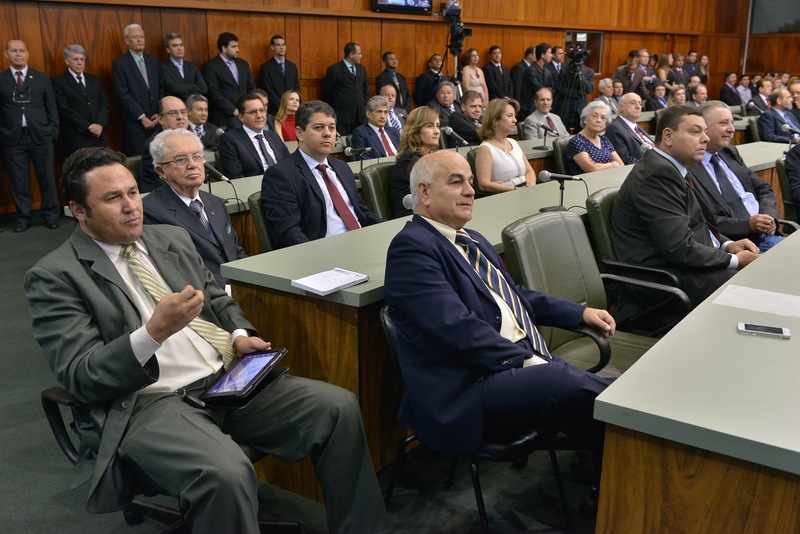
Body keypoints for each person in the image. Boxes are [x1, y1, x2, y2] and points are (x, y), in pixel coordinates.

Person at [25, 146, 389, 534]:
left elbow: (216, 297)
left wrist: (239, 334)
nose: (131, 206)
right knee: (225, 473)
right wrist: (153, 333)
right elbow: (81, 375)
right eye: (113, 198)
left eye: (133, 192)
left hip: (224, 382)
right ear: (79, 210)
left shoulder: (171, 238)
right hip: (149, 402)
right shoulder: (55, 276)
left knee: (337, 406)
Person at [383, 150, 614, 495]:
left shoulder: (471, 238)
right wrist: (529, 361)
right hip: (469, 386)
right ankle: (640, 417)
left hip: (509, 363)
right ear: (424, 192)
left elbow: (512, 295)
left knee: (586, 406)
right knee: (568, 382)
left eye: (470, 182)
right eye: (456, 182)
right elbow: (457, 329)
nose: (470, 191)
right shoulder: (411, 248)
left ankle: (616, 479)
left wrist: (577, 313)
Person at [611, 106, 760, 317]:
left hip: (684, 269)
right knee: (753, 290)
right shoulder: (658, 174)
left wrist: (727, 244)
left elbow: (698, 223)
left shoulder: (671, 167)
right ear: (668, 136)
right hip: (663, 282)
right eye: (695, 131)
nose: (706, 138)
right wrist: (735, 260)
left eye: (705, 131)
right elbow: (680, 248)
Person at [261, 101, 383, 249]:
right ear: (299, 133)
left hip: (363, 244)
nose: (327, 133)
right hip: (325, 253)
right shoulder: (281, 175)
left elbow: (362, 212)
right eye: (318, 127)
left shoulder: (342, 167)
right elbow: (289, 234)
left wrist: (389, 232)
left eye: (332, 127)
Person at [143, 129, 247, 287]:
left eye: (197, 157)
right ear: (161, 171)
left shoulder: (215, 202)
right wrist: (231, 289)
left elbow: (234, 251)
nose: (192, 165)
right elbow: (177, 271)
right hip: (205, 295)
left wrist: (252, 281)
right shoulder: (151, 212)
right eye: (181, 160)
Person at [687, 101, 782, 253]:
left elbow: (764, 189)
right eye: (724, 123)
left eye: (732, 122)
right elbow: (702, 220)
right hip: (737, 246)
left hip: (767, 236)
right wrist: (746, 225)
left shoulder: (729, 153)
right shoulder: (688, 167)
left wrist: (768, 218)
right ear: (703, 128)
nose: (731, 129)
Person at [1, 38, 60, 232]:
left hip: (41, 137)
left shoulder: (42, 78)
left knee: (47, 178)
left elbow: (52, 108)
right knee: (19, 180)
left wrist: (52, 131)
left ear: (27, 54)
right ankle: (23, 218)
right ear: (6, 54)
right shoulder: (1, 79)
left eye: (21, 50)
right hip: (13, 139)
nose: (18, 54)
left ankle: (51, 215)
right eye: (14, 50)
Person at [112, 24, 161, 155]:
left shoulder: (152, 61)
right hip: (135, 123)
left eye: (141, 37)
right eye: (135, 37)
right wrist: (141, 117)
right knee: (139, 159)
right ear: (127, 41)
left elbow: (160, 88)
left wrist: (159, 112)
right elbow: (123, 94)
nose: (139, 40)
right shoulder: (120, 64)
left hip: (156, 121)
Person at [52, 44, 109, 156]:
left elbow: (104, 104)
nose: (79, 63)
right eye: (76, 59)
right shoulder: (58, 82)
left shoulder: (94, 80)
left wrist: (99, 124)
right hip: (77, 137)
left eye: (82, 59)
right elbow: (64, 109)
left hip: (99, 135)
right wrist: (88, 127)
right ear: (67, 61)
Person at [218, 93, 290, 178]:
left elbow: (290, 163)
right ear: (241, 117)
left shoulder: (273, 136)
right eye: (253, 112)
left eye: (262, 110)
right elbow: (235, 176)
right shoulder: (230, 140)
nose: (259, 116)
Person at [475, 98, 536, 193]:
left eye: (514, 116)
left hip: (526, 189)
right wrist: (515, 189)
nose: (515, 120)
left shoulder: (513, 142)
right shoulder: (485, 149)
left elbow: (529, 171)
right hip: (506, 194)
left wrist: (531, 187)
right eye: (510, 116)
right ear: (495, 120)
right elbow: (484, 184)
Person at [390, 106, 440, 217]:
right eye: (430, 126)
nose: (436, 131)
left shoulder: (427, 156)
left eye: (437, 126)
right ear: (416, 130)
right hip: (412, 217)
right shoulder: (411, 160)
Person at [202, 32, 256, 129]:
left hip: (245, 116)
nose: (238, 49)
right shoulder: (210, 66)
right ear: (224, 48)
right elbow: (214, 92)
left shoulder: (243, 64)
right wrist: (233, 110)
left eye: (237, 46)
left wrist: (248, 108)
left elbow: (251, 87)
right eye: (234, 47)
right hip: (224, 118)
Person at [139, 95, 190, 193]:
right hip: (161, 195)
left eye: (183, 112)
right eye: (172, 113)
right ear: (160, 119)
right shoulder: (154, 145)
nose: (180, 117)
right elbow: (168, 181)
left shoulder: (190, 138)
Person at [322, 42, 369, 135]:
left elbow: (365, 91)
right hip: (342, 117)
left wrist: (364, 107)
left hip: (360, 117)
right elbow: (327, 92)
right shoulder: (335, 70)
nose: (361, 56)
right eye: (359, 53)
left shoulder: (361, 69)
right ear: (351, 54)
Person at [566, 101, 623, 175]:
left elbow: (621, 165)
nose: (599, 120)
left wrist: (598, 165)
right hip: (587, 181)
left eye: (603, 118)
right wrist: (612, 164)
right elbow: (591, 168)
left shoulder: (604, 140)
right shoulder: (577, 141)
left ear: (605, 124)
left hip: (609, 178)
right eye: (594, 116)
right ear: (585, 119)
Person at [604, 92, 654, 165]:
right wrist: (652, 165)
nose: (638, 107)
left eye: (640, 103)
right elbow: (625, 160)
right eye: (633, 103)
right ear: (621, 107)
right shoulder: (614, 128)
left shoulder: (636, 127)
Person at [258, 35, 300, 116]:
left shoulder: (292, 66)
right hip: (275, 110)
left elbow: (297, 88)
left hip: (292, 111)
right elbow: (268, 91)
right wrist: (282, 107)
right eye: (278, 45)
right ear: (272, 47)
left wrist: (293, 105)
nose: (282, 47)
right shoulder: (266, 67)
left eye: (283, 44)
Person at [159, 33, 208, 101]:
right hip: (175, 105)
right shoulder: (163, 67)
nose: (179, 48)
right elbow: (173, 88)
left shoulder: (193, 66)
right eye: (175, 46)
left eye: (181, 45)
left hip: (193, 106)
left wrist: (182, 92)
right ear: (168, 49)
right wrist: (193, 86)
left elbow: (203, 88)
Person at [350, 95, 401, 159]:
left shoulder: (394, 131)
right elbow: (363, 158)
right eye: (379, 112)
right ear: (368, 114)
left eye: (385, 112)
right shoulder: (360, 133)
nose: (383, 116)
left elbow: (404, 152)